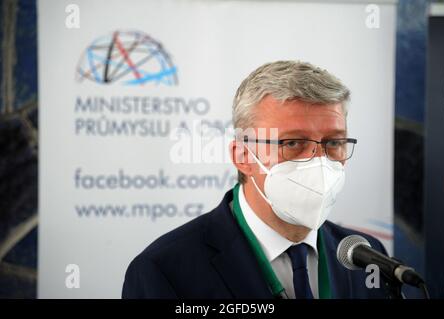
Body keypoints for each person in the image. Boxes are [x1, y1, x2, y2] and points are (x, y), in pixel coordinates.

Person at [122, 61, 390, 299]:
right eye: (293, 142)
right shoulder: (164, 270)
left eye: (333, 142)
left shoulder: (367, 256)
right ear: (243, 156)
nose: (318, 160)